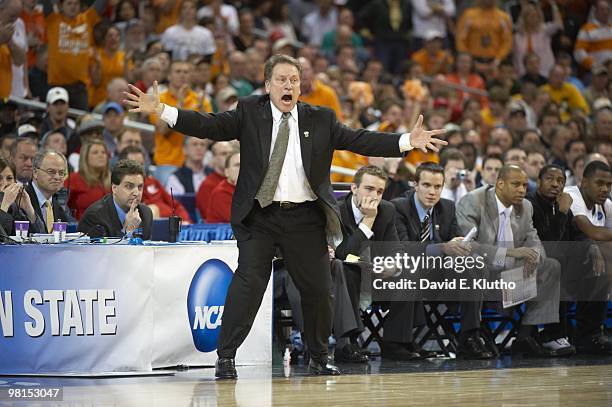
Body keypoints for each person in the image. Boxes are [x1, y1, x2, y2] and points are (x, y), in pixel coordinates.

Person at [123, 54, 446, 378]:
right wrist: (162, 109)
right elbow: (210, 125)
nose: (288, 85)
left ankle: (319, 356)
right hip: (260, 217)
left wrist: (406, 141)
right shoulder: (250, 111)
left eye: (294, 79)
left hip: (304, 218)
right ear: (267, 85)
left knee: (319, 287)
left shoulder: (321, 118)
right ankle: (226, 357)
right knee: (248, 284)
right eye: (281, 79)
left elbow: (359, 138)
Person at [456, 165, 566, 357]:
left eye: (524, 185)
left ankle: (525, 336)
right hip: (480, 278)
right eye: (516, 184)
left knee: (550, 266)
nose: (522, 190)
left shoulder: (526, 207)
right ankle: (470, 337)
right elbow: (468, 246)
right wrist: (511, 253)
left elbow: (534, 242)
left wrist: (534, 257)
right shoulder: (473, 201)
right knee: (474, 266)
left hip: (510, 279)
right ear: (499, 184)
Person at [392, 162, 493, 359]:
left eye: (437, 186)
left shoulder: (447, 207)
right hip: (407, 273)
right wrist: (443, 248)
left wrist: (462, 246)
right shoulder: (399, 207)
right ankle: (403, 341)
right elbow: (403, 249)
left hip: (441, 278)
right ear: (415, 184)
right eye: (426, 185)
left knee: (472, 266)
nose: (432, 192)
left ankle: (469, 336)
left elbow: (455, 240)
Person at [563, 161, 612, 355]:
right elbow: (592, 232)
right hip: (560, 264)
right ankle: (589, 333)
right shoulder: (572, 196)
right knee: (601, 257)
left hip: (587, 267)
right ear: (584, 182)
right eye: (599, 183)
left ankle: (592, 332)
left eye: (609, 185)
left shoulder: (605, 204)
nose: (604, 189)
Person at [78, 158, 153, 239]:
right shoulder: (95, 217)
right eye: (129, 186)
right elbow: (102, 251)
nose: (136, 193)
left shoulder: (145, 214)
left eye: (140, 187)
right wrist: (127, 230)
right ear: (114, 188)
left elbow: (146, 250)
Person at [26, 150, 71, 233]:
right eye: (51, 172)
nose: (57, 177)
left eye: (61, 173)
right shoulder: (21, 200)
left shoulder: (59, 209)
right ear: (35, 173)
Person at [66, 140, 111, 219]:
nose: (101, 155)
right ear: (85, 157)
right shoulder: (73, 179)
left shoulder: (113, 180)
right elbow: (61, 207)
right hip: (81, 228)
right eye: (95, 152)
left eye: (103, 152)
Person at [0, 155, 43, 235]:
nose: (5, 183)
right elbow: (2, 238)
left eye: (9, 178)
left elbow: (40, 237)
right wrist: (4, 205)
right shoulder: (8, 205)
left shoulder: (14, 207)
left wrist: (29, 209)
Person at [207, 151, 239, 223]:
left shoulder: (249, 189)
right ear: (227, 172)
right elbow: (239, 220)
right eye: (237, 165)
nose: (242, 169)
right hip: (221, 233)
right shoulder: (220, 193)